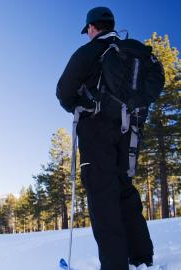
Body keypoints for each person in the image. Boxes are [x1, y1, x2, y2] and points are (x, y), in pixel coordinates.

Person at [56, 7, 160, 270]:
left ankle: (115, 265)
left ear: (92, 28)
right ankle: (141, 257)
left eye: (88, 30)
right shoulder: (133, 53)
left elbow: (64, 92)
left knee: (103, 198)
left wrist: (83, 106)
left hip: (97, 132)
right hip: (131, 132)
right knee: (124, 189)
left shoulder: (88, 53)